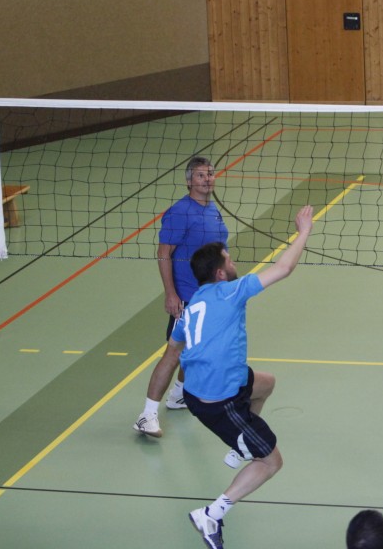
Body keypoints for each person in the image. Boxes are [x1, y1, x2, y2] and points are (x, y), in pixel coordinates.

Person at [177, 205, 316, 549]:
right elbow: (283, 268)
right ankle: (212, 514)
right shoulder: (230, 292)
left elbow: (177, 344)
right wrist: (303, 232)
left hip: (201, 388)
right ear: (220, 273)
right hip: (218, 401)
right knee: (271, 461)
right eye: (229, 260)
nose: (233, 262)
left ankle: (239, 445)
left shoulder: (193, 304)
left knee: (266, 383)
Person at [134, 156, 227, 438]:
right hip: (186, 297)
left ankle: (178, 395)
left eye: (210, 174)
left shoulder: (213, 210)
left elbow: (219, 254)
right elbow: (164, 253)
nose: (207, 179)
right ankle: (147, 415)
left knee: (195, 350)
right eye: (200, 175)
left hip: (209, 297)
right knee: (174, 353)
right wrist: (171, 293)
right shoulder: (179, 212)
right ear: (189, 181)